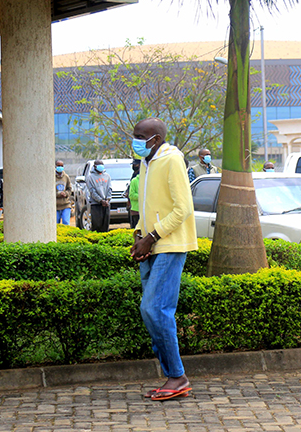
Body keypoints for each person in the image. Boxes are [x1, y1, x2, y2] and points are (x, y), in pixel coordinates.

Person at [130, 117, 198, 400]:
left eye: (139, 137)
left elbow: (183, 208)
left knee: (156, 308)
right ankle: (172, 375)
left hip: (170, 244)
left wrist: (152, 236)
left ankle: (177, 376)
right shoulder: (147, 163)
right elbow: (149, 205)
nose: (135, 142)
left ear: (155, 139)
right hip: (151, 244)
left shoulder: (172, 160)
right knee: (150, 311)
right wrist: (138, 234)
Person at [86, 159, 111, 232]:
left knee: (105, 225)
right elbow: (92, 191)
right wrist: (100, 200)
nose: (101, 167)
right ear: (94, 166)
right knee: (97, 225)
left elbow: (109, 188)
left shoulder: (107, 176)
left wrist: (107, 200)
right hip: (96, 204)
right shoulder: (90, 177)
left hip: (106, 204)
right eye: (99, 165)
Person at [55, 160, 73, 225]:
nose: (60, 167)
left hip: (65, 204)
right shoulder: (52, 177)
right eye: (58, 166)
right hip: (55, 206)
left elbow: (69, 188)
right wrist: (59, 194)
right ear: (55, 166)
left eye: (61, 166)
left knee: (66, 222)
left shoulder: (66, 177)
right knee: (56, 224)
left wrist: (66, 194)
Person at [126, 159, 141, 228]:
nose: (134, 166)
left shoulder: (141, 175)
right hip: (134, 207)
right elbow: (130, 191)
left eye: (136, 164)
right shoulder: (134, 175)